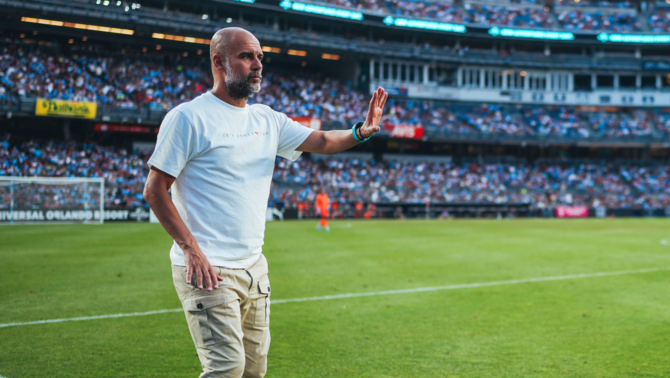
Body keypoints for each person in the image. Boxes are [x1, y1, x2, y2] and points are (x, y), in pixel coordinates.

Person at [143, 27, 387, 378]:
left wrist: (359, 132)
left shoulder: (267, 119)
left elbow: (322, 140)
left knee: (253, 372)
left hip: (255, 268)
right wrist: (190, 249)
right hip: (208, 268)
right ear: (219, 61)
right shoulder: (188, 118)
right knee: (227, 368)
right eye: (246, 56)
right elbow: (155, 189)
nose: (257, 64)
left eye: (259, 57)